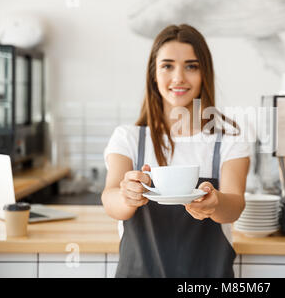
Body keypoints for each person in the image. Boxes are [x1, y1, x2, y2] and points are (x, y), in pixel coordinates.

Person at [102, 24, 250, 278]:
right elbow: (110, 199)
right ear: (154, 74)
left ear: (205, 73)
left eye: (191, 66)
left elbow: (235, 205)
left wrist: (215, 204)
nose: (179, 77)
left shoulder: (228, 141)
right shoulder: (128, 138)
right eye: (167, 66)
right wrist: (127, 195)